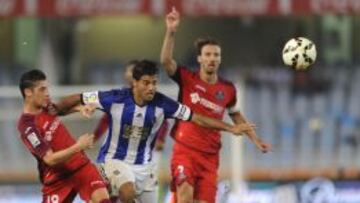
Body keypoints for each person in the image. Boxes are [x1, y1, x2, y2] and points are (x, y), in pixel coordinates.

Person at [60, 59, 255, 203]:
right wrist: (57, 109)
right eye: (146, 83)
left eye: (154, 82)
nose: (151, 87)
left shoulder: (163, 103)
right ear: (135, 83)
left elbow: (198, 118)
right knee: (127, 191)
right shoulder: (115, 98)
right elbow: (78, 97)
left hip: (144, 167)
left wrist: (231, 127)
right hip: (113, 161)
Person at [160, 8, 272, 203]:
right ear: (200, 58)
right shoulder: (187, 79)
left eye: (216, 55)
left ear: (220, 59)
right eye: (208, 54)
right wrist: (171, 32)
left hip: (210, 157)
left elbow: (236, 115)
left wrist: (255, 139)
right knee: (185, 197)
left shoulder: (228, 89)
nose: (212, 58)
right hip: (185, 150)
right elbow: (166, 61)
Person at [17, 69, 111, 203]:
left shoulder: (46, 106)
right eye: (42, 89)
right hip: (57, 178)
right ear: (28, 92)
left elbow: (58, 110)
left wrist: (79, 108)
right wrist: (78, 146)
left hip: (81, 166)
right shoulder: (27, 126)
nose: (47, 93)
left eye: (47, 88)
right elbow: (49, 159)